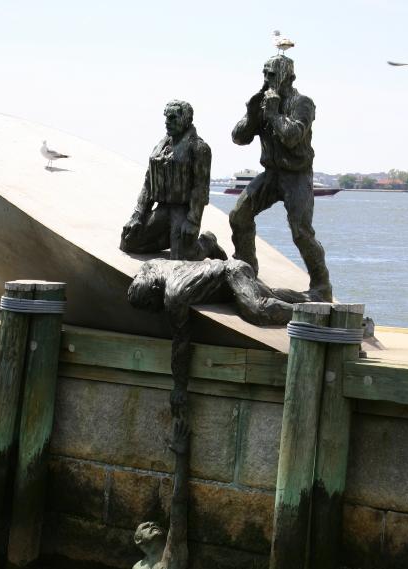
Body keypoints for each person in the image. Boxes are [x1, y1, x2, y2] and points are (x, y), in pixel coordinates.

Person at [128, 257, 313, 417]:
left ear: (154, 288)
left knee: (257, 310)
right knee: (268, 294)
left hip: (232, 273)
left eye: (150, 304)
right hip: (227, 274)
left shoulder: (174, 295)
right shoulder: (152, 267)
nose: (151, 311)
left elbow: (181, 339)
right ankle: (313, 297)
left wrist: (179, 387)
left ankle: (312, 314)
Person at [229, 55, 332, 301]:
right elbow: (238, 138)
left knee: (301, 232)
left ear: (289, 76)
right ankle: (247, 270)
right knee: (239, 215)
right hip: (271, 174)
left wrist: (274, 114)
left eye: (272, 74)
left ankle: (322, 285)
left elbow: (293, 135)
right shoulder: (264, 103)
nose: (266, 79)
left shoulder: (303, 103)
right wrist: (253, 112)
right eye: (264, 73)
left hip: (297, 176)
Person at [120, 100, 226, 260]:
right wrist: (138, 214)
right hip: (162, 209)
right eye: (166, 117)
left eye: (173, 118)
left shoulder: (199, 148)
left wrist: (193, 221)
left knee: (181, 258)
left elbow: (200, 189)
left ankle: (207, 243)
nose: (167, 122)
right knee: (128, 240)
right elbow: (148, 183)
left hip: (182, 211)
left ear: (187, 120)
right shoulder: (160, 147)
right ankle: (171, 239)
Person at [132, 418, 190, 569]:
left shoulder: (171, 556)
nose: (153, 525)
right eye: (146, 527)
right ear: (139, 542)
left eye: (153, 524)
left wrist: (181, 457)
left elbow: (178, 506)